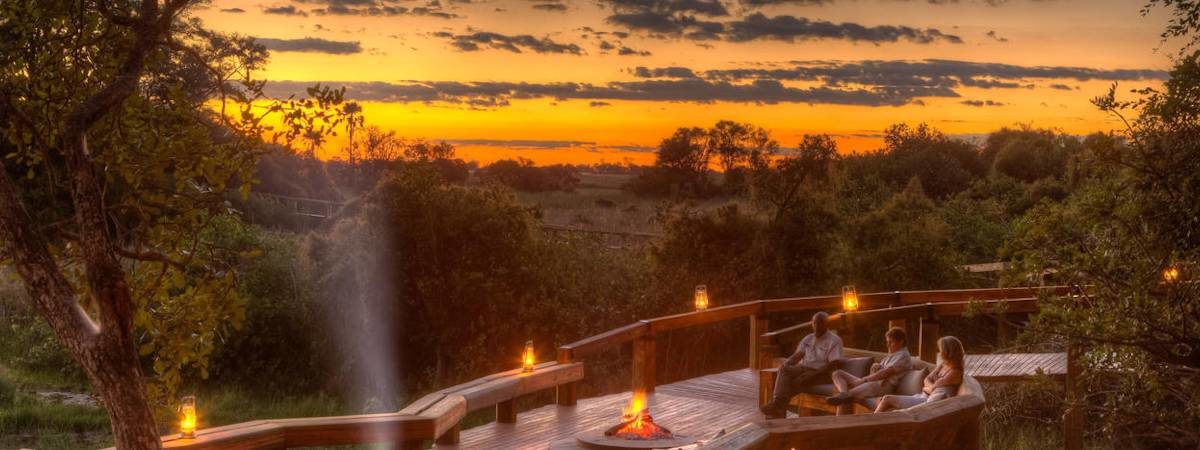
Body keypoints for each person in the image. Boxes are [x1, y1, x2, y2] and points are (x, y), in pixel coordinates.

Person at [759, 311, 843, 419]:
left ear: (826, 324)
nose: (817, 326)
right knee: (784, 370)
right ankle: (778, 406)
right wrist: (785, 364)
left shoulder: (834, 340)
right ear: (812, 323)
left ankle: (777, 407)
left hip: (822, 373)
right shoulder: (808, 338)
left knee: (796, 382)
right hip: (804, 368)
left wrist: (812, 375)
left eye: (820, 323)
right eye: (815, 323)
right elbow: (797, 355)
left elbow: (834, 364)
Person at [825, 327, 912, 415]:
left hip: (882, 386)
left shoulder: (903, 356)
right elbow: (881, 370)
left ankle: (842, 417)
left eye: (891, 342)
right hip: (872, 382)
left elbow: (885, 373)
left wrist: (863, 380)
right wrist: (876, 366)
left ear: (901, 341)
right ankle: (843, 393)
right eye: (887, 342)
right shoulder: (892, 355)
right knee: (837, 373)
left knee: (846, 398)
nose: (888, 345)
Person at [874, 335, 965, 413]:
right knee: (881, 400)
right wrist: (928, 387)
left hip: (926, 402)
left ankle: (870, 423)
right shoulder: (943, 365)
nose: (939, 353)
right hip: (923, 395)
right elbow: (926, 380)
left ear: (948, 352)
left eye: (941, 350)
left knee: (887, 399)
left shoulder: (955, 372)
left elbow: (933, 387)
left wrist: (927, 387)